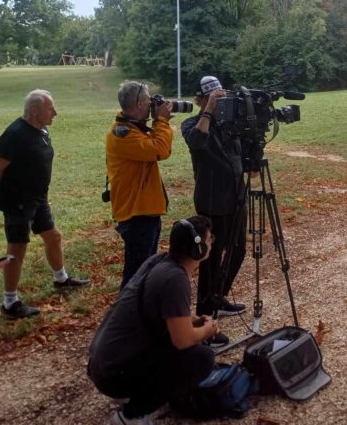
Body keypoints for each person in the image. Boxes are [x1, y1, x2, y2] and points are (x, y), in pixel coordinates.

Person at [88, 216, 220, 425]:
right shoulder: (176, 280)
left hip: (103, 364)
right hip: (114, 374)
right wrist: (208, 329)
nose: (212, 241)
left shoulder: (158, 261)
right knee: (202, 358)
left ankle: (143, 391)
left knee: (183, 346)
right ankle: (131, 415)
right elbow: (183, 340)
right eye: (210, 238)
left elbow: (159, 311)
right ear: (199, 248)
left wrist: (191, 320)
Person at [0, 89, 89, 319]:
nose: (56, 112)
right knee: (16, 250)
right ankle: (9, 303)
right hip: (18, 201)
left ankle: (61, 279)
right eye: (50, 108)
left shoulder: (41, 129)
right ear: (34, 111)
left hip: (38, 198)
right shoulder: (14, 135)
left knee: (54, 237)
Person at [181, 76, 246, 345]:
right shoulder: (191, 124)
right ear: (200, 99)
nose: (219, 104)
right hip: (211, 200)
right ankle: (204, 317)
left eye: (220, 98)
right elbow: (197, 142)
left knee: (238, 249)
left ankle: (218, 296)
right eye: (211, 98)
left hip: (236, 196)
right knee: (210, 259)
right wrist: (208, 109)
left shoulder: (230, 125)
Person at [106, 81, 173, 289]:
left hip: (145, 211)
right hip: (136, 215)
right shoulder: (123, 134)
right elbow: (160, 150)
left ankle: (138, 315)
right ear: (139, 103)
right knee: (136, 276)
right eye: (148, 100)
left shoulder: (133, 126)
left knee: (144, 271)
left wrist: (156, 121)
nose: (151, 104)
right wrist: (161, 120)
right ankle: (125, 318)